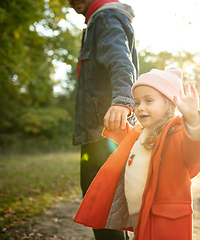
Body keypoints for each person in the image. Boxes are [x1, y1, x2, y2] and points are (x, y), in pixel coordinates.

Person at [73, 67, 200, 240]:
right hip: (139, 213)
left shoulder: (177, 132)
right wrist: (115, 120)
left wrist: (193, 119)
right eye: (137, 103)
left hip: (164, 219)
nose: (140, 108)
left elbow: (198, 151)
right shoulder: (140, 133)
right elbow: (127, 142)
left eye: (149, 101)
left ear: (170, 103)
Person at [68, 0, 138, 239]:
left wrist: (122, 101)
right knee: (109, 211)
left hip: (105, 131)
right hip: (103, 131)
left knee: (102, 207)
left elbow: (121, 61)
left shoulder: (105, 18)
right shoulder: (101, 19)